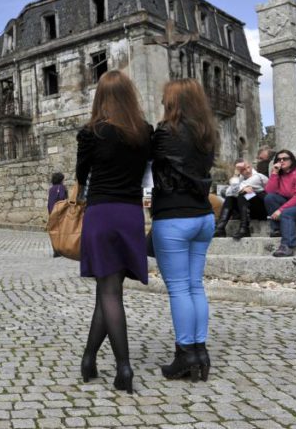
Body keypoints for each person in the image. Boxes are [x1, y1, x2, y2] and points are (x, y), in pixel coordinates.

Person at [76, 70, 152, 394]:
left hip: (102, 212)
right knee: (109, 290)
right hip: (131, 213)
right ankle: (89, 359)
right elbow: (148, 171)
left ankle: (124, 366)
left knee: (108, 292)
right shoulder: (145, 132)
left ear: (100, 97)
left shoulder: (91, 132)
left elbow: (81, 174)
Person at [151, 78, 217, 383]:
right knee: (195, 286)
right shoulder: (208, 134)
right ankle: (200, 353)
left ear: (173, 101)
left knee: (179, 288)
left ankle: (185, 355)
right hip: (203, 216)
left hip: (174, 215)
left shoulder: (166, 131)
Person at [264, 149, 296, 257]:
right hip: (293, 204)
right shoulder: (279, 175)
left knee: (286, 213)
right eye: (279, 159)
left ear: (292, 160)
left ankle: (287, 246)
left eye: (285, 158)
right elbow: (269, 192)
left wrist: (280, 210)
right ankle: (277, 229)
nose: (281, 161)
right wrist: (274, 173)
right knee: (270, 198)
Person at [213, 160, 268, 239]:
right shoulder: (241, 178)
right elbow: (228, 193)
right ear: (239, 172)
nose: (248, 171)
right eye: (243, 169)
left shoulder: (257, 177)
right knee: (231, 198)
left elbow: (233, 189)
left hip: (261, 210)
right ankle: (220, 227)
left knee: (243, 195)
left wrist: (239, 187)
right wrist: (242, 187)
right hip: (248, 209)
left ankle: (244, 228)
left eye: (248, 167)